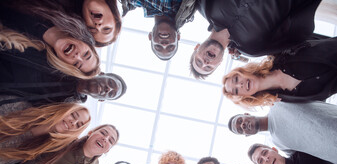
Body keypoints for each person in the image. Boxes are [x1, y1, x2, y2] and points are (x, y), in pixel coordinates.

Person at [190, 0, 323, 79]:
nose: (205, 62)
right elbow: (296, 31)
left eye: (199, 61)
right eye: (208, 67)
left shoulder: (204, 6)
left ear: (197, 47)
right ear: (219, 63)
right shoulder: (253, 48)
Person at [222, 37, 337, 108]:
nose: (240, 84)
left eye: (236, 79)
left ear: (243, 72)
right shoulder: (285, 100)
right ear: (243, 97)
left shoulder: (280, 54)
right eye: (236, 90)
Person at [0, 4, 100, 79]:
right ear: (87, 43)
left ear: (66, 65)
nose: (77, 56)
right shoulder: (63, 9)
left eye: (76, 64)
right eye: (86, 54)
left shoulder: (30, 52)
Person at [227, 101, 337, 164]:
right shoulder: (279, 145)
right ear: (247, 135)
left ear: (246, 114)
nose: (242, 125)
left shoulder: (278, 103)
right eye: (240, 130)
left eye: (240, 121)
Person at [0, 103, 90, 164]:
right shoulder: (22, 109)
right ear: (65, 109)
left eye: (78, 125)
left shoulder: (41, 150)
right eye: (73, 115)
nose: (73, 122)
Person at [120, 0, 196, 60]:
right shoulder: (188, 10)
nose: (164, 44)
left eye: (158, 46)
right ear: (178, 36)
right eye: (171, 47)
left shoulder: (135, 1)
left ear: (150, 36)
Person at [0, 73, 127, 109]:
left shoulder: (66, 108)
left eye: (110, 93)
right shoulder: (71, 62)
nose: (108, 88)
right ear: (102, 74)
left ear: (101, 99)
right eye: (110, 83)